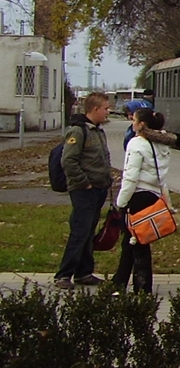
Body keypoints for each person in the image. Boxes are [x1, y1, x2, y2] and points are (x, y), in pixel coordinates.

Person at [112, 108, 176, 295]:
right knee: (133, 241)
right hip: (153, 196)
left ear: (142, 125)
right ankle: (120, 282)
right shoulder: (162, 145)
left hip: (137, 196)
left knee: (137, 242)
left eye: (135, 120)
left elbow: (131, 177)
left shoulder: (137, 143)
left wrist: (121, 202)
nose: (132, 123)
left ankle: (142, 286)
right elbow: (162, 178)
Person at [53, 92, 113, 290]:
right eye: (105, 108)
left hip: (98, 189)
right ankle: (64, 274)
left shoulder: (97, 130)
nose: (108, 111)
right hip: (84, 190)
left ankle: (84, 272)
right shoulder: (79, 131)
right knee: (80, 231)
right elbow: (68, 160)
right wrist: (84, 182)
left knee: (88, 232)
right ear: (95, 109)